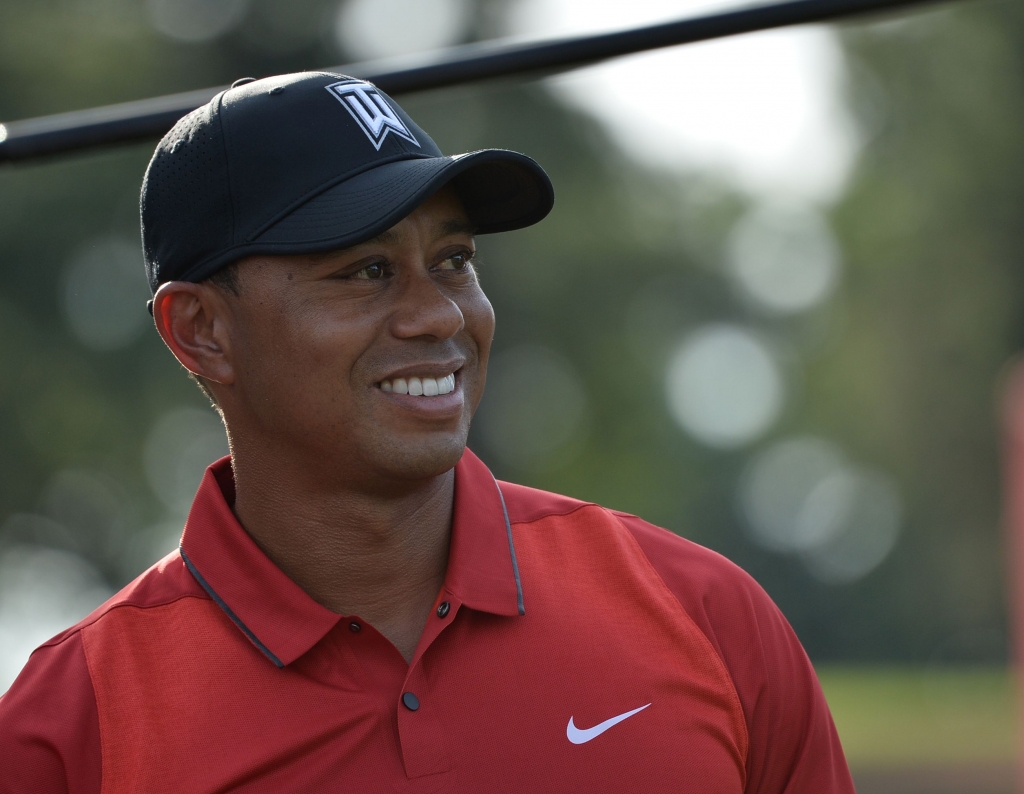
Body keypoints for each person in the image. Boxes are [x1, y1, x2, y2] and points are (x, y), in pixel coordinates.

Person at [0, 71, 855, 793]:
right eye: (366, 271)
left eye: (453, 260)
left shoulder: (705, 616)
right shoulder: (69, 730)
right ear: (201, 331)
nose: (440, 314)